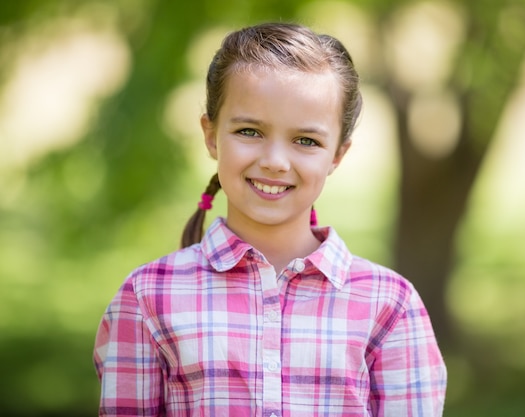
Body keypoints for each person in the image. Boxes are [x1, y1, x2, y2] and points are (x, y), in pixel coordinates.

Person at [94, 22, 446, 416]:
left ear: (337, 156)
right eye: (249, 131)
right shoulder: (146, 299)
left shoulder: (390, 305)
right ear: (211, 135)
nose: (275, 162)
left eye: (306, 141)